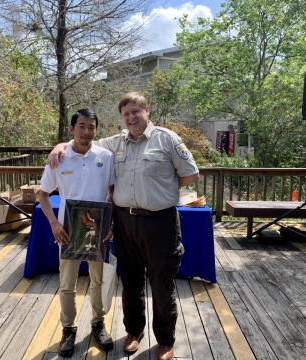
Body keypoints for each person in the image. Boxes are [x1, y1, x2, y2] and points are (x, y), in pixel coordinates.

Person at [47, 92, 200, 360]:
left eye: (135, 112)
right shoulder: (115, 143)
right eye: (126, 114)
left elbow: (191, 175)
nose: (131, 118)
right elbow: (83, 140)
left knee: (162, 283)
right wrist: (59, 146)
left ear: (146, 111)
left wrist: (160, 190)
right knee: (130, 281)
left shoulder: (167, 139)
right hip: (125, 222)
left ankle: (165, 340)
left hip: (159, 221)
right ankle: (133, 332)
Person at [39, 108, 115, 357]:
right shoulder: (58, 159)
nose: (86, 131)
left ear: (96, 129)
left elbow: (112, 193)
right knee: (67, 284)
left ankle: (98, 324)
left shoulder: (105, 156)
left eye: (91, 127)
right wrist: (54, 223)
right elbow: (43, 195)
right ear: (72, 129)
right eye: (81, 126)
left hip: (97, 230)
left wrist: (110, 223)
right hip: (68, 230)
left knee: (98, 281)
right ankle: (68, 329)